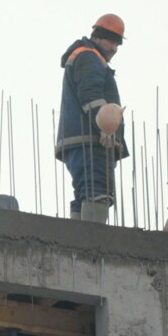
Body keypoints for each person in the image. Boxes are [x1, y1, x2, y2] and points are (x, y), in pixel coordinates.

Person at [54, 14, 129, 223]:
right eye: (110, 41)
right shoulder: (89, 57)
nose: (114, 48)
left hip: (80, 141)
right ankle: (92, 240)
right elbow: (91, 95)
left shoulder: (86, 56)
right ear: (97, 36)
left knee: (85, 192)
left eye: (117, 43)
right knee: (97, 190)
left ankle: (77, 239)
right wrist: (105, 127)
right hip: (91, 140)